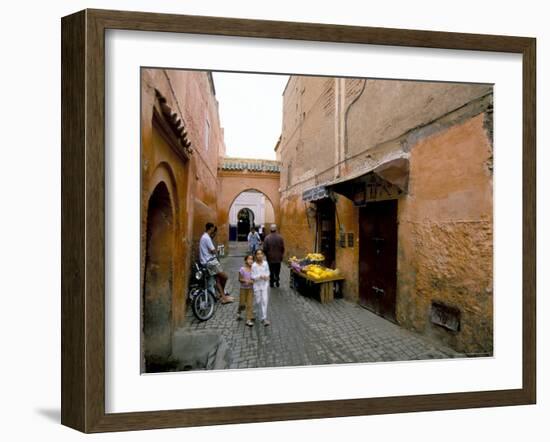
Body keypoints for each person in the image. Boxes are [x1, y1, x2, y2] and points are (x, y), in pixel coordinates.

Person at [199, 222, 234, 304]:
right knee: (225, 277)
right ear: (210, 228)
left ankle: (223, 297)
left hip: (207, 261)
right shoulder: (206, 238)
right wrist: (216, 251)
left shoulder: (204, 237)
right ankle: (222, 295)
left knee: (217, 279)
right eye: (213, 228)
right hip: (210, 262)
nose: (214, 230)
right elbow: (213, 250)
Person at [251, 249, 271, 326]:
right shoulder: (254, 265)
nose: (259, 255)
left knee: (264, 301)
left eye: (261, 254)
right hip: (256, 285)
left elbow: (268, 272)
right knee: (257, 301)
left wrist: (267, 277)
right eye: (258, 254)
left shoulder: (265, 263)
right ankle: (254, 312)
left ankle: (264, 318)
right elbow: (252, 276)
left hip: (264, 285)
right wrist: (259, 276)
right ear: (255, 256)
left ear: (263, 255)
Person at [237, 254, 255, 326]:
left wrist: (252, 281)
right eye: (249, 259)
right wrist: (244, 280)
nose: (250, 261)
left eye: (252, 259)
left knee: (249, 304)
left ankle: (248, 319)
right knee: (242, 304)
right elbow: (239, 279)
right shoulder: (242, 269)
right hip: (243, 289)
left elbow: (255, 280)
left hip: (250, 289)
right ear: (245, 261)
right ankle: (239, 311)